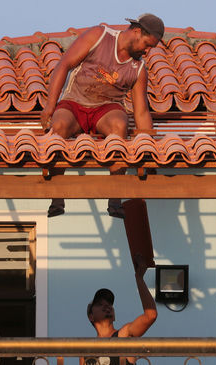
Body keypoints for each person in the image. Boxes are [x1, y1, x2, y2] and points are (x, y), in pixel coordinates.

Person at [40, 14, 165, 219]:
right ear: (136, 32)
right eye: (147, 44)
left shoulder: (138, 69)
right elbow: (63, 65)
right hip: (74, 104)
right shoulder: (98, 36)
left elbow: (141, 111)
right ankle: (57, 194)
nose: (148, 51)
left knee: (119, 124)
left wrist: (148, 149)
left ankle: (115, 195)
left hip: (106, 108)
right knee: (59, 125)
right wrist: (49, 106)